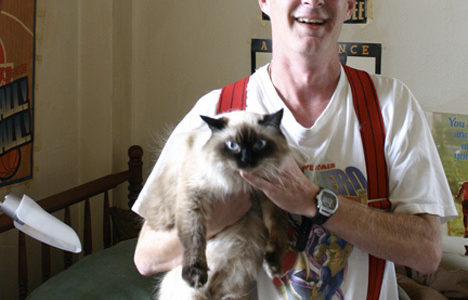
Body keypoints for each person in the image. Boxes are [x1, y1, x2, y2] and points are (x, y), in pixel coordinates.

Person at [132, 0, 458, 299]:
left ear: (350, 5)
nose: (313, 1)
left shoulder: (391, 106)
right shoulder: (216, 114)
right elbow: (147, 256)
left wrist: (313, 201)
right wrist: (223, 214)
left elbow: (427, 253)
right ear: (264, 1)